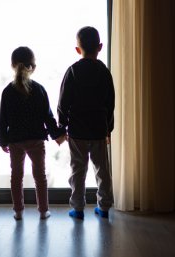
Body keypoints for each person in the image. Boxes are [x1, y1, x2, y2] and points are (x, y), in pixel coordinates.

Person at [0, 46, 66, 220]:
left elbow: (3, 120)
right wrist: (58, 134)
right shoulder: (39, 90)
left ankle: (18, 211)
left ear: (13, 65)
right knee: (40, 176)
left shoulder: (7, 92)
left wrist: (3, 141)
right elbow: (48, 118)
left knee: (16, 176)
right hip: (36, 140)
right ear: (33, 67)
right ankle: (43, 211)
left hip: (15, 140)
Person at [58, 26, 115, 219]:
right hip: (99, 129)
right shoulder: (104, 72)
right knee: (102, 170)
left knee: (78, 170)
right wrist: (109, 128)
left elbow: (63, 102)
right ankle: (104, 206)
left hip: (77, 130)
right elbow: (110, 103)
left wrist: (61, 126)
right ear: (100, 47)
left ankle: (78, 208)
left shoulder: (73, 71)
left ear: (77, 49)